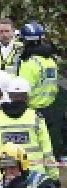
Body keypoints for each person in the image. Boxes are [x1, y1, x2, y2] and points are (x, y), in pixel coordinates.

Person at [0, 76, 55, 174]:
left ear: (9, 95)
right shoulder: (36, 118)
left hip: (4, 176)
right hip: (34, 175)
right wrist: (53, 175)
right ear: (27, 95)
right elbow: (47, 151)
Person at [15, 22, 63, 160]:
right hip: (49, 109)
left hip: (31, 110)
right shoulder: (50, 61)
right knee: (44, 146)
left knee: (30, 149)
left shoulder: (29, 63)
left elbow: (22, 90)